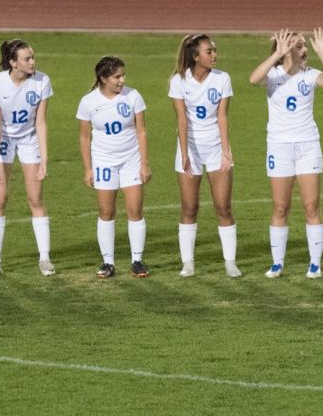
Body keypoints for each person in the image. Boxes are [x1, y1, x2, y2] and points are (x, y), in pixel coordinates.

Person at [248, 29, 323, 279]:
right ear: (286, 50)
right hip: (279, 147)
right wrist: (276, 55)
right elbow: (252, 79)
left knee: (311, 206)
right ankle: (277, 263)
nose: (305, 50)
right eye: (299, 46)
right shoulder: (273, 75)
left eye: (304, 46)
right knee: (281, 207)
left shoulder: (310, 76)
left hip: (308, 145)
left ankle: (315, 263)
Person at [169, 34, 240, 278]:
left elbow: (223, 117)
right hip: (189, 149)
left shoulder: (222, 79)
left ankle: (230, 262)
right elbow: (182, 119)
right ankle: (188, 263)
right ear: (195, 56)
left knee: (223, 206)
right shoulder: (179, 81)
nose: (214, 56)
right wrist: (185, 153)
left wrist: (225, 151)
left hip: (214, 148)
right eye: (209, 52)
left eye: (214, 51)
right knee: (190, 207)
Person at [0, 39, 55, 277]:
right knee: (0, 197)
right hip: (3, 138)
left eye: (33, 57)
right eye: (27, 59)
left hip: (29, 139)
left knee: (35, 198)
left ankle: (44, 258)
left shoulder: (42, 81)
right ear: (13, 63)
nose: (33, 62)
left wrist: (44, 159)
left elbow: (41, 121)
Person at [76, 56, 151, 279]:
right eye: (117, 76)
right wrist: (88, 169)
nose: (122, 80)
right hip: (104, 162)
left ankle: (137, 260)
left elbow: (141, 131)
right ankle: (108, 262)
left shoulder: (133, 96)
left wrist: (144, 163)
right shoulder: (89, 102)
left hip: (131, 160)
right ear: (103, 78)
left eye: (123, 75)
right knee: (106, 212)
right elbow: (84, 137)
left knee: (135, 210)